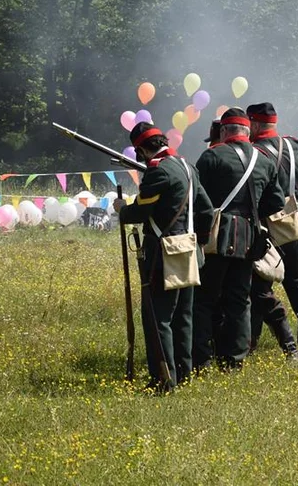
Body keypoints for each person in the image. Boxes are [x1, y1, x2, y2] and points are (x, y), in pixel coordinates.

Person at [114, 122, 214, 392]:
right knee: (183, 316)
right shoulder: (187, 166)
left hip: (163, 252)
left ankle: (163, 379)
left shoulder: (158, 172)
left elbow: (141, 211)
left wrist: (123, 210)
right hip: (190, 248)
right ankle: (183, 373)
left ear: (143, 149)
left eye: (140, 153)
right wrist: (200, 240)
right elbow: (206, 210)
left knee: (158, 318)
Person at [193, 108, 285, 371]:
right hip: (248, 238)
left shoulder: (211, 156)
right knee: (239, 300)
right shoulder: (265, 160)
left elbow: (199, 200)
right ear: (247, 131)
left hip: (215, 236)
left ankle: (202, 359)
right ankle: (234, 361)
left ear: (224, 131)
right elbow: (275, 204)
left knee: (205, 299)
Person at [249, 102, 298, 355]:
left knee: (259, 286)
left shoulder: (253, 151)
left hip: (265, 225)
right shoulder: (295, 145)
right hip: (293, 221)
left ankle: (250, 342)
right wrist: (293, 200)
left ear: (255, 123)